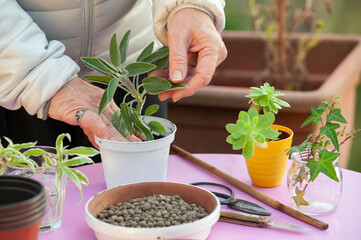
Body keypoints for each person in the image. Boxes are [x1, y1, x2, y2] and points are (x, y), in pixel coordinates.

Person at [0, 0, 227, 153]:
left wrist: (190, 6)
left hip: (133, 75)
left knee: (138, 205)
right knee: (30, 216)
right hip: (14, 81)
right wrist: (39, 74)